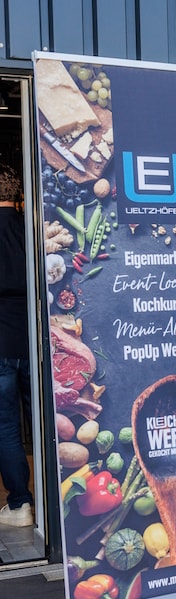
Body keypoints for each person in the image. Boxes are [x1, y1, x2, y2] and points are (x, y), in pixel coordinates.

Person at [0, 162, 33, 528]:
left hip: (0, 345)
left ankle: (20, 504)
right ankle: (55, 510)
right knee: (41, 422)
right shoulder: (32, 231)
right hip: (33, 342)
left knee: (6, 426)